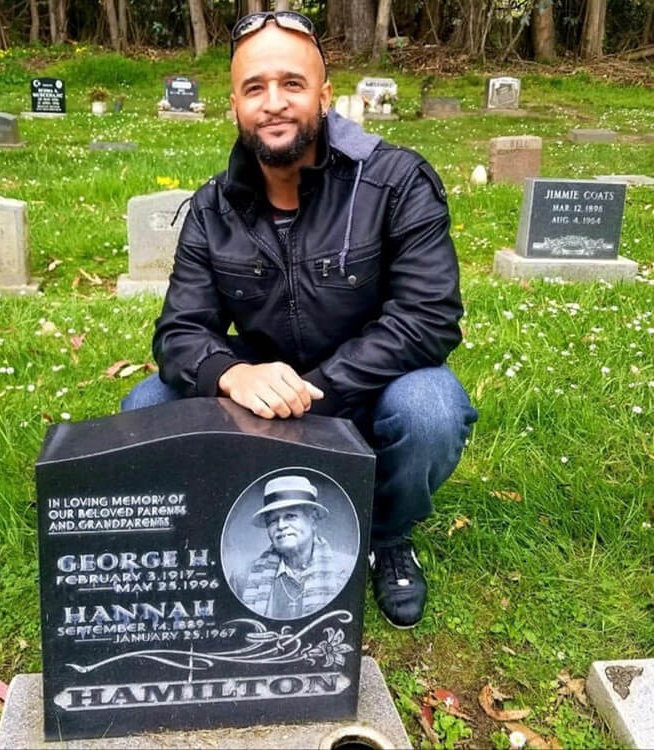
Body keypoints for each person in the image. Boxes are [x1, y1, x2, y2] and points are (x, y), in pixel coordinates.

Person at [122, 10, 478, 629]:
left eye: (292, 84)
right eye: (255, 88)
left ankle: (384, 535)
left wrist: (315, 390)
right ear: (234, 103)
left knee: (432, 408)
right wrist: (232, 375)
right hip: (258, 403)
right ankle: (215, 536)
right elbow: (179, 332)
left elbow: (430, 318)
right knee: (144, 405)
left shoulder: (396, 180)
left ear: (324, 94)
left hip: (367, 392)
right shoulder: (212, 208)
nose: (274, 103)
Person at [235, 475, 355, 619]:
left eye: (290, 516)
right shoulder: (244, 578)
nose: (281, 526)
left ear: (313, 520)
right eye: (273, 520)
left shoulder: (346, 571)